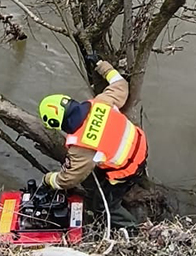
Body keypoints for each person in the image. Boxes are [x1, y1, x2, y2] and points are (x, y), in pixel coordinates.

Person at [38, 57, 148, 234]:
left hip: (127, 169)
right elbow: (120, 84)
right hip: (140, 145)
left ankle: (133, 231)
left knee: (103, 206)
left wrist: (49, 179)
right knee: (95, 172)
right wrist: (101, 65)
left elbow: (69, 179)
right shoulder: (100, 102)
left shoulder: (81, 147)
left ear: (55, 123)